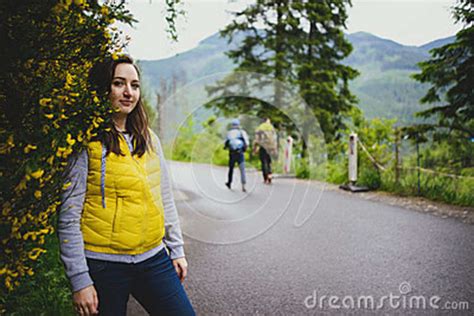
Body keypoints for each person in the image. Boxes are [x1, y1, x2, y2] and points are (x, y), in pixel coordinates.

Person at [58, 55, 195, 316]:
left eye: (135, 85)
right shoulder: (86, 143)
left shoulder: (149, 139)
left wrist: (176, 250)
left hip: (153, 259)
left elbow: (164, 197)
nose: (128, 92)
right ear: (103, 89)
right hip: (104, 265)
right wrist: (80, 281)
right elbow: (69, 215)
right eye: (119, 83)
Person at [224, 118, 249, 192]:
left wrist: (226, 147)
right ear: (238, 125)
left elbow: (226, 143)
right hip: (240, 153)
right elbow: (247, 143)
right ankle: (243, 185)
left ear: (232, 125)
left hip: (232, 153)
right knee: (242, 169)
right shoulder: (242, 132)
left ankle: (229, 183)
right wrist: (244, 149)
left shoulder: (229, 133)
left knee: (231, 168)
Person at [253, 118, 277, 184]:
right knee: (269, 161)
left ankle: (265, 178)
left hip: (263, 146)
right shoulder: (272, 127)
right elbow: (275, 138)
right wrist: (275, 148)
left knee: (264, 162)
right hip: (271, 147)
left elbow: (256, 139)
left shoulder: (260, 127)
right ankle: (269, 174)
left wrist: (254, 148)